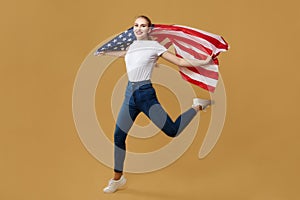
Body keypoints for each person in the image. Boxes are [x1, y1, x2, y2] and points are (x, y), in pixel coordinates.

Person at [97, 15, 212, 193]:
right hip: (130, 95)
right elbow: (125, 55)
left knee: (173, 131)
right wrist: (105, 52)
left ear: (149, 29)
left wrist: (204, 62)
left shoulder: (155, 46)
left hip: (145, 96)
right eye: (136, 25)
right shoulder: (132, 45)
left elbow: (180, 61)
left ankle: (197, 106)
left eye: (143, 26)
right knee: (118, 136)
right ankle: (117, 179)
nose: (138, 28)